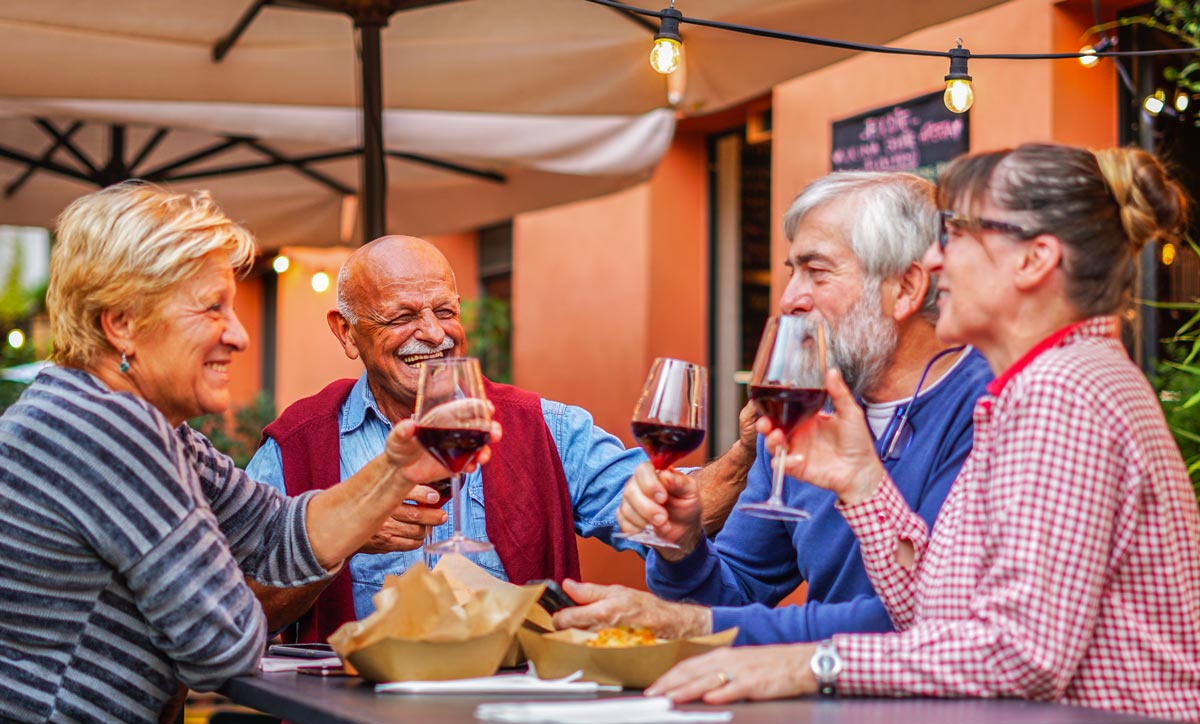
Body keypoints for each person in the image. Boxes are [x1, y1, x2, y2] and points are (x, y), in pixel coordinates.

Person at [647, 144, 1200, 721]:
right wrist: (862, 483)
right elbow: (940, 616)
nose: (935, 260)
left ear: (1033, 261)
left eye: (958, 234)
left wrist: (809, 664)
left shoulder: (1061, 392)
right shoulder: (1041, 385)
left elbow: (1020, 656)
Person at [0, 183, 487, 724]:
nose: (239, 336)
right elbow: (222, 645)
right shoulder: (102, 432)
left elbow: (276, 531)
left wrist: (394, 468)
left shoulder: (135, 424)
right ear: (123, 323)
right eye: (213, 309)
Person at [554, 171, 993, 645]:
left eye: (817, 272)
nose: (788, 300)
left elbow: (930, 617)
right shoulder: (795, 417)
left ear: (906, 287)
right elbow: (736, 591)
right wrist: (683, 548)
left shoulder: (993, 407)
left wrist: (704, 626)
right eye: (791, 272)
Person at [246, 234, 753, 643]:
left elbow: (671, 517)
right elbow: (240, 611)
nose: (434, 334)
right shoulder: (296, 445)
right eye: (402, 317)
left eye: (444, 311)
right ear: (345, 331)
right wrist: (341, 536)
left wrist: (745, 455)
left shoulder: (545, 426)